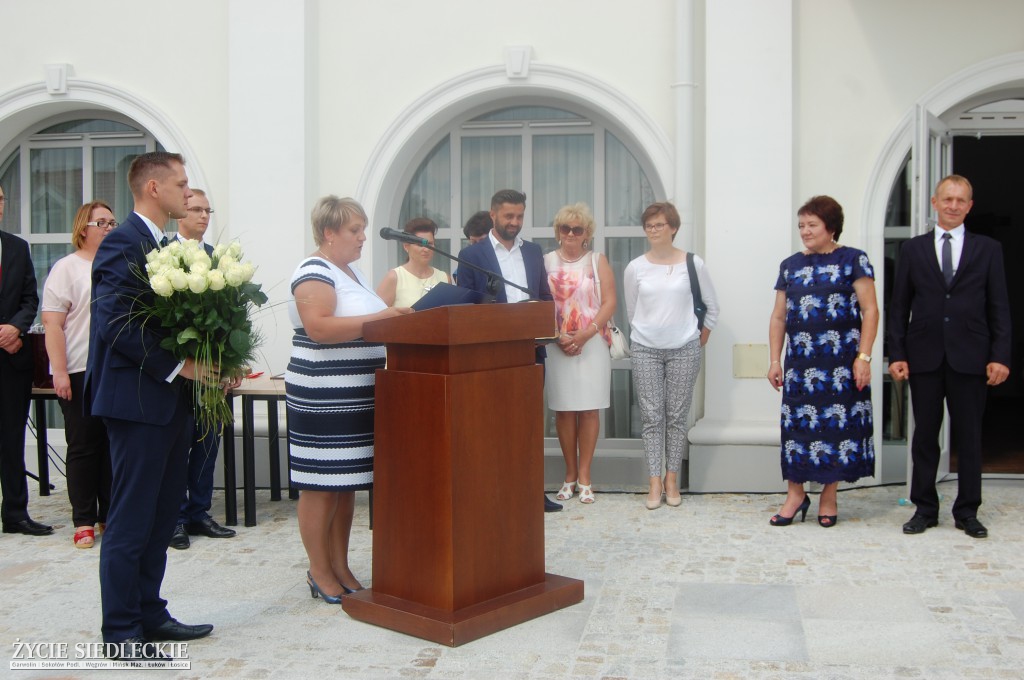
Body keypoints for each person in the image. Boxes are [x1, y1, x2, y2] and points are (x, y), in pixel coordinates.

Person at [87, 152, 228, 660]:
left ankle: (151, 613)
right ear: (153, 187)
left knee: (162, 513)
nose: (188, 195)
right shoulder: (123, 242)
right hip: (138, 401)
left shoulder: (165, 244)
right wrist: (180, 366)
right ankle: (121, 631)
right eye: (182, 185)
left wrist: (216, 357)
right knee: (130, 521)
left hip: (171, 404)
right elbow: (116, 324)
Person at [287, 195, 411, 604]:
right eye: (354, 230)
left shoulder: (349, 271)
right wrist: (384, 317)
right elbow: (319, 327)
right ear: (329, 233)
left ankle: (340, 566)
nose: (362, 238)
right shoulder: (314, 271)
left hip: (356, 396)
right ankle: (319, 571)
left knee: (345, 486)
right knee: (321, 486)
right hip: (325, 395)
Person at [888, 175, 1010, 539]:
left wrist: (1000, 355)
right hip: (924, 356)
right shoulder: (913, 249)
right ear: (934, 202)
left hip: (971, 357)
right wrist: (897, 352)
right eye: (948, 199)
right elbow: (899, 306)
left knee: (970, 436)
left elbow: (999, 306)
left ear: (970, 205)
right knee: (925, 435)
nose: (954, 205)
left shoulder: (988, 249)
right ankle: (924, 509)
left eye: (961, 200)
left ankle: (968, 511)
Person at [767, 196, 878, 527]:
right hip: (801, 367)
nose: (805, 231)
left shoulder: (854, 260)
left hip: (842, 366)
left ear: (831, 227)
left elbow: (870, 310)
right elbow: (778, 318)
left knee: (836, 429)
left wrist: (864, 356)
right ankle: (795, 494)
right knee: (798, 430)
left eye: (812, 225)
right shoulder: (790, 266)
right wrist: (775, 360)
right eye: (801, 225)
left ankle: (829, 496)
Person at [456, 189, 562, 513]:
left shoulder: (532, 252)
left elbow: (544, 296)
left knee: (528, 426)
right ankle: (492, 491)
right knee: (491, 426)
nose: (515, 223)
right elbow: (466, 306)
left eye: (519, 216)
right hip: (491, 356)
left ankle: (531, 492)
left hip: (531, 352)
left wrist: (546, 326)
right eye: (508, 216)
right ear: (493, 215)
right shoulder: (472, 256)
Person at [624, 202, 719, 510]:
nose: (653, 230)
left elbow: (712, 308)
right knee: (652, 417)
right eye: (649, 226)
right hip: (645, 349)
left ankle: (671, 479)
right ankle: (653, 481)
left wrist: (694, 340)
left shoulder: (693, 264)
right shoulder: (636, 267)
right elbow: (632, 310)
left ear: (673, 228)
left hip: (684, 349)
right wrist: (648, 334)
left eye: (659, 225)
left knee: (676, 417)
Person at [41, 201, 115, 548]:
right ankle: (83, 518)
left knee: (112, 445)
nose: (108, 228)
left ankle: (108, 515)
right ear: (83, 227)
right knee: (84, 445)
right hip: (79, 367)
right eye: (102, 222)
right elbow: (53, 325)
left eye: (113, 223)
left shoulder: (117, 264)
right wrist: (59, 372)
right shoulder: (66, 268)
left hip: (114, 369)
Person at [169, 189, 236, 550]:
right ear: (180, 212)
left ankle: (199, 511)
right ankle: (175, 518)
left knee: (208, 441)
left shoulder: (218, 259)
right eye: (196, 209)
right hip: (180, 371)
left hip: (212, 370)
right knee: (179, 444)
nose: (203, 216)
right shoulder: (164, 256)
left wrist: (231, 364)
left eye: (208, 210)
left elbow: (230, 318)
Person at [543, 203, 616, 504]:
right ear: (558, 231)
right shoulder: (545, 261)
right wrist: (559, 335)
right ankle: (569, 474)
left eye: (578, 229)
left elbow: (610, 302)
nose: (571, 234)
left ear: (587, 233)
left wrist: (586, 334)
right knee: (564, 409)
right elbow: (539, 302)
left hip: (592, 342)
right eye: (565, 228)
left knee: (589, 408)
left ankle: (585, 475)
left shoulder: (597, 260)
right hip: (557, 342)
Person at [0, 186, 52, 537]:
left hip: (11, 359)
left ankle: (16, 514)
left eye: (0, 199)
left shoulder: (17, 247)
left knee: (11, 439)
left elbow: (30, 297)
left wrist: (15, 327)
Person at [375, 217, 451, 307]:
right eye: (420, 244)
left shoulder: (444, 277)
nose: (426, 249)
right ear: (406, 246)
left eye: (430, 244)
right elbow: (378, 315)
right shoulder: (394, 277)